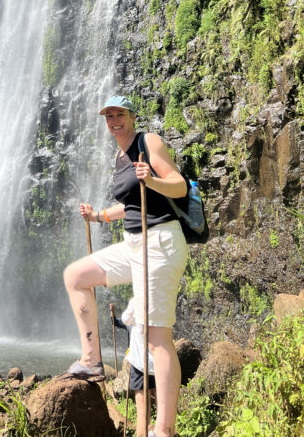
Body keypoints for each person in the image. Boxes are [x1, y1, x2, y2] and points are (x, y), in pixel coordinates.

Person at [63, 95, 188, 437]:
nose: (114, 120)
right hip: (134, 244)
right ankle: (92, 360)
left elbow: (178, 186)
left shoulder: (149, 142)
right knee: (76, 276)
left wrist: (153, 179)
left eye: (120, 114)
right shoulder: (120, 157)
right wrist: (99, 216)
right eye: (109, 116)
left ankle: (164, 429)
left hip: (159, 242)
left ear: (132, 117)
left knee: (157, 338)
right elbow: (131, 204)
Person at [112, 299, 156, 437]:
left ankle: (144, 431)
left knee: (142, 408)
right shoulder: (158, 312)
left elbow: (125, 318)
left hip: (139, 361)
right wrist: (112, 314)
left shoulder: (133, 315)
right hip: (154, 362)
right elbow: (117, 322)